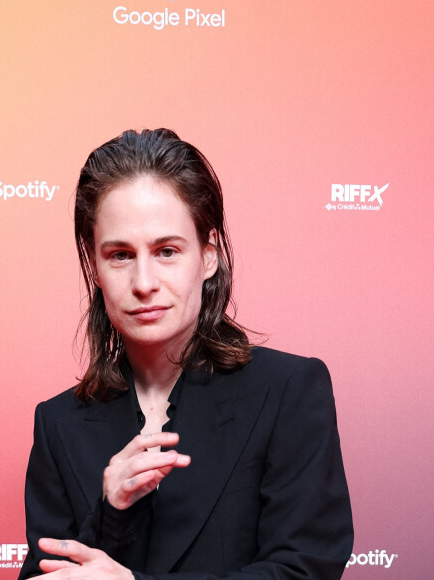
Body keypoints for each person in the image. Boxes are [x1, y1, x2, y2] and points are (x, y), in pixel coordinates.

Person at [18, 128, 353, 579]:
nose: (143, 282)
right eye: (119, 255)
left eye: (167, 251)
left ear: (208, 256)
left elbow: (304, 569)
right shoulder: (58, 424)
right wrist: (111, 513)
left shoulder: (288, 391)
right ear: (93, 265)